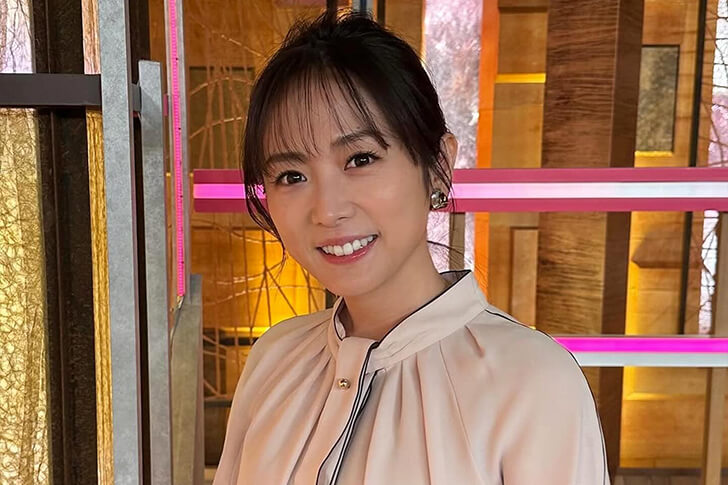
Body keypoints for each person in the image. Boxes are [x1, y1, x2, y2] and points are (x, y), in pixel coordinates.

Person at [214, 10, 609, 485]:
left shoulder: (533, 383)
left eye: (360, 159)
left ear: (438, 166)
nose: (327, 210)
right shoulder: (273, 359)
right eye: (291, 176)